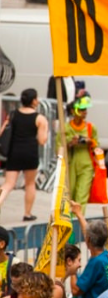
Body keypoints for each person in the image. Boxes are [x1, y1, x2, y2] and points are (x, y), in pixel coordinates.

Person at [0, 88, 48, 220]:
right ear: (33, 100)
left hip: (14, 152)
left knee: (8, 184)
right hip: (30, 153)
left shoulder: (13, 114)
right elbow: (42, 140)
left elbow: (2, 132)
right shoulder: (39, 118)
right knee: (30, 184)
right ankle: (27, 213)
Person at [63, 95, 100, 210]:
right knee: (70, 196)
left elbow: (97, 147)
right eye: (82, 109)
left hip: (86, 165)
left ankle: (79, 220)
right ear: (73, 111)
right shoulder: (65, 128)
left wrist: (90, 142)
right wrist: (70, 143)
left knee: (81, 196)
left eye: (86, 110)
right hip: (70, 165)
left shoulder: (90, 127)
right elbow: (58, 149)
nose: (85, 112)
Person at [69, 220, 108, 298]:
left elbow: (76, 290)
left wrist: (72, 269)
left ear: (88, 239)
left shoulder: (96, 262)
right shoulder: (107, 255)